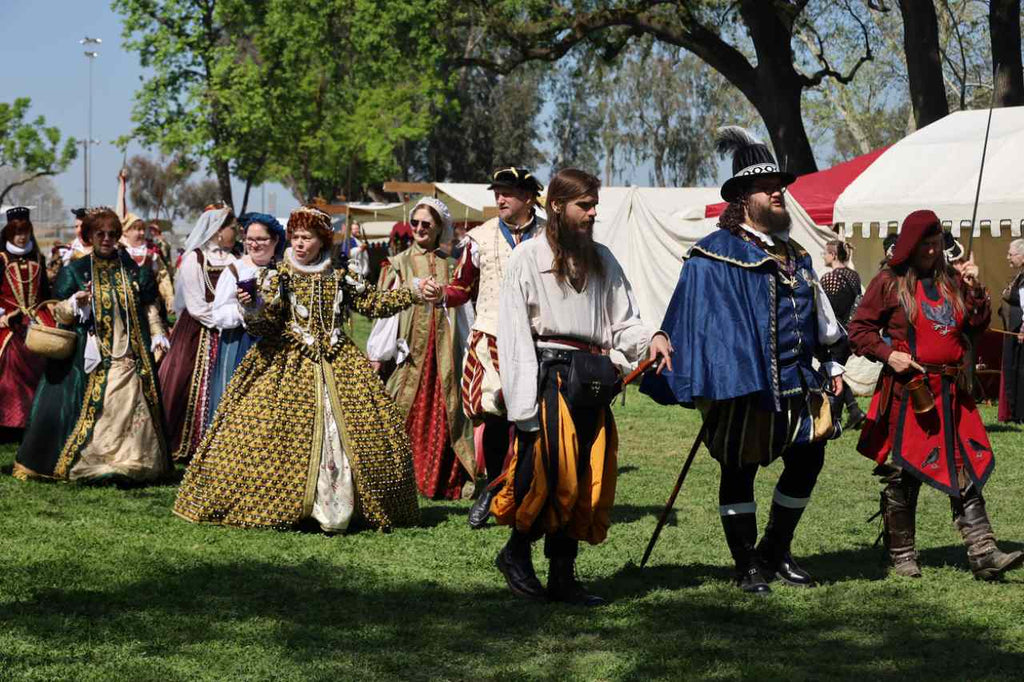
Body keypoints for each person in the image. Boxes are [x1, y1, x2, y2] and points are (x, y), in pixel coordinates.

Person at [642, 127, 846, 595]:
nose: (779, 192)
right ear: (742, 198)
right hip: (744, 386)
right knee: (739, 469)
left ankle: (775, 551)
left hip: (800, 383)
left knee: (807, 460)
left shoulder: (796, 254)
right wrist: (672, 344)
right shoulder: (714, 253)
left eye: (781, 186)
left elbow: (821, 318)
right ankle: (745, 563)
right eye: (767, 187)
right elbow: (690, 313)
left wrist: (831, 363)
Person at [173, 206, 423, 533]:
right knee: (268, 435)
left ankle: (345, 507)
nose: (301, 243)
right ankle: (287, 505)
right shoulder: (278, 276)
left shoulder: (339, 275)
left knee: (360, 430)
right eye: (296, 237)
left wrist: (414, 292)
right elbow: (264, 324)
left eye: (308, 237)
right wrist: (252, 306)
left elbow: (373, 303)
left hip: (339, 362)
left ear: (322, 241)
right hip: (288, 362)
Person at [492, 169, 671, 605]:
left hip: (593, 377)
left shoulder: (603, 258)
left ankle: (562, 577)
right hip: (550, 377)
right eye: (584, 205)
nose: (593, 213)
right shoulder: (527, 258)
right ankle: (516, 554)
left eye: (594, 205)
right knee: (555, 478)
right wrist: (523, 411)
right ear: (557, 206)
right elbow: (514, 335)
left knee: (588, 477)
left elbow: (624, 322)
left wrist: (652, 339)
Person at [850, 210, 1022, 580]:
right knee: (902, 472)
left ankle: (983, 552)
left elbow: (974, 327)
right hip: (910, 393)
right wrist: (887, 354)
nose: (932, 251)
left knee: (965, 468)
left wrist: (976, 289)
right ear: (910, 246)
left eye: (936, 244)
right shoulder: (888, 282)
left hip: (952, 393)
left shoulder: (953, 281)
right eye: (925, 245)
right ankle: (902, 554)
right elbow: (860, 330)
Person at [14, 208, 171, 483]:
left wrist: (158, 332)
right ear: (90, 236)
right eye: (101, 234)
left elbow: (148, 305)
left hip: (130, 353)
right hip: (92, 356)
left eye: (112, 234)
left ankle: (132, 459)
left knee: (131, 404)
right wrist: (75, 304)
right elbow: (58, 310)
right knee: (98, 405)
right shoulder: (74, 270)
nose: (107, 239)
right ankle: (95, 458)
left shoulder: (134, 269)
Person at [432, 166, 546, 529]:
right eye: (497, 192)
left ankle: (527, 492)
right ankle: (494, 491)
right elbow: (462, 288)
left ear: (528, 197)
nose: (500, 198)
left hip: (538, 339)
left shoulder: (549, 236)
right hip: (491, 336)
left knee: (531, 420)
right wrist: (440, 294)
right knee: (495, 418)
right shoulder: (479, 239)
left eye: (508, 193)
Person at [367, 197, 476, 500]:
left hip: (444, 355)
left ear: (439, 227)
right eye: (415, 223)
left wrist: (471, 352)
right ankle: (399, 477)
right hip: (408, 354)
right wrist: (377, 353)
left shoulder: (453, 265)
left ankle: (442, 480)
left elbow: (466, 313)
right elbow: (386, 311)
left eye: (426, 224)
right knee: (403, 406)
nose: (418, 228)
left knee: (447, 412)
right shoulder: (398, 263)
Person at [159, 207, 239, 461]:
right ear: (217, 232)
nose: (236, 232)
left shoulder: (236, 258)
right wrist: (227, 319)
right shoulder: (195, 259)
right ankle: (187, 443)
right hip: (197, 330)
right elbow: (195, 306)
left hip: (231, 330)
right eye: (232, 228)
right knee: (185, 380)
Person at [204, 212, 285, 427]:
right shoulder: (235, 270)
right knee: (238, 402)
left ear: (275, 240)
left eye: (261, 239)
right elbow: (219, 315)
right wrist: (245, 309)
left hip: (278, 345)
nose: (254, 244)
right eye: (250, 239)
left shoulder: (284, 270)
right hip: (240, 342)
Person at [0, 207, 55, 435]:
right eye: (17, 232)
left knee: (51, 358)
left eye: (25, 231)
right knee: (7, 363)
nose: (21, 236)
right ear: (9, 233)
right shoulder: (1, 258)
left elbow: (44, 291)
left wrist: (49, 308)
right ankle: (9, 422)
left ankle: (38, 419)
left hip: (35, 318)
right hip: (9, 320)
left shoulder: (38, 257)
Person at [820, 239, 865, 428]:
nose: (823, 256)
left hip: (836, 336)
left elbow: (826, 310)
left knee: (829, 374)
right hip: (851, 334)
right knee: (833, 372)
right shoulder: (854, 275)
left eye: (825, 252)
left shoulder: (830, 279)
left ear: (833, 255)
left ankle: (835, 419)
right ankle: (854, 410)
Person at [999, 238, 1024, 423]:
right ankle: (1016, 413)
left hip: (1021, 331)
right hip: (1014, 332)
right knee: (1014, 370)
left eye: (1011, 254)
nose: (1008, 257)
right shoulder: (1020, 275)